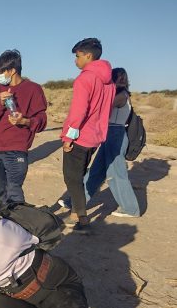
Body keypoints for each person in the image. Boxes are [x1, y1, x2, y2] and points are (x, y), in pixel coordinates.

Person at [60, 68, 140, 218]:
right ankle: (76, 203)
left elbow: (103, 107)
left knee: (116, 173)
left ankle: (130, 208)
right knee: (96, 172)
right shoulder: (117, 93)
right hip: (108, 134)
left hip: (116, 135)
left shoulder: (121, 95)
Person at [60, 38, 115, 233]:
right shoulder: (109, 81)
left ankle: (81, 219)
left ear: (88, 56)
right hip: (95, 137)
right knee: (79, 174)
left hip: (80, 137)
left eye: (77, 56)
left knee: (72, 177)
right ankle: (76, 211)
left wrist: (68, 138)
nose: (76, 61)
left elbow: (78, 112)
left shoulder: (85, 79)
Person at [0, 50, 47, 204]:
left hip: (16, 149)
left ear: (12, 70)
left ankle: (17, 225)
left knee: (14, 192)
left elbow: (42, 120)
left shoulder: (33, 89)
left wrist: (25, 121)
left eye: (1, 72)